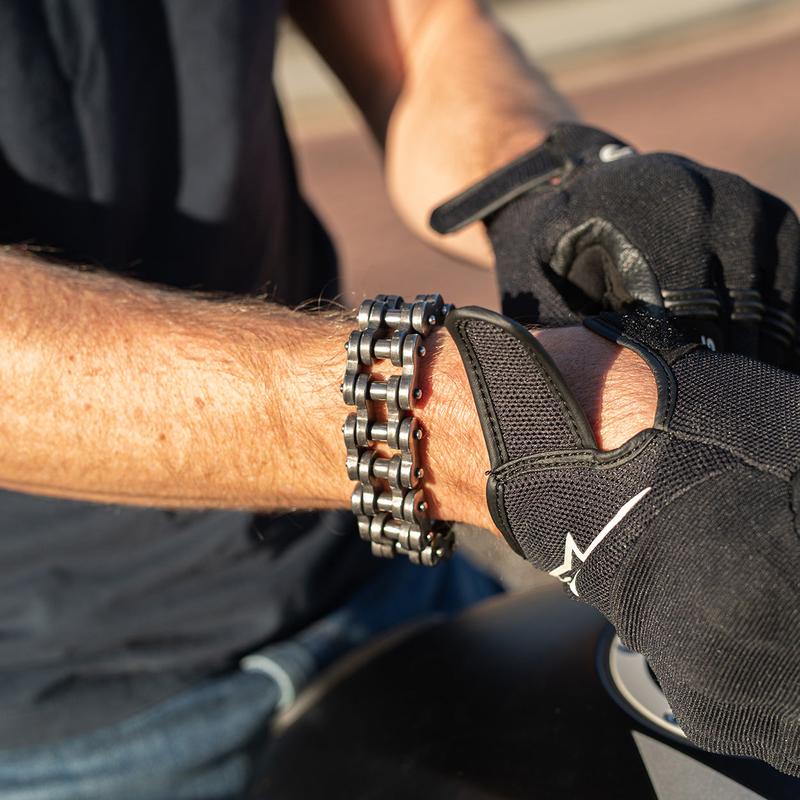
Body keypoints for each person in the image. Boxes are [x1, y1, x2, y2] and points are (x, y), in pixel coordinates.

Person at [0, 1, 799, 797]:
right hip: (68, 717)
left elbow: (415, 31)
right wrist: (476, 421)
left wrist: (547, 186)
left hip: (386, 590)